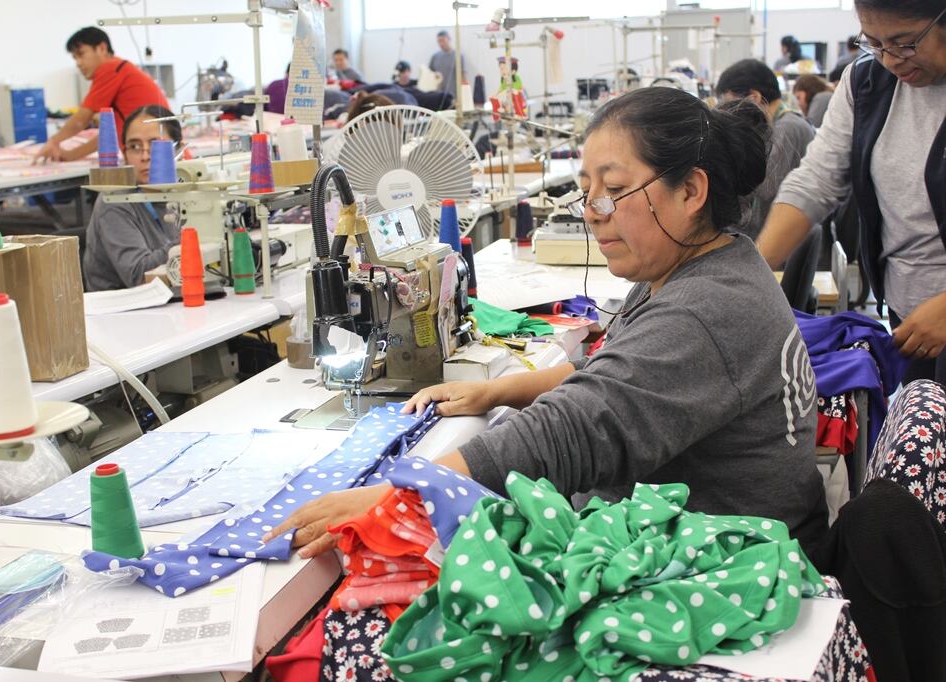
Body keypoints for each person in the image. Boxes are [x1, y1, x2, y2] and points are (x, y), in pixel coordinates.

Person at [264, 87, 829, 561]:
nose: (592, 212)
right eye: (587, 191)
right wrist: (495, 391)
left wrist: (398, 492)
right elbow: (611, 374)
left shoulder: (703, 311)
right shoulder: (699, 268)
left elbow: (577, 427)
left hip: (729, 567)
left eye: (614, 190)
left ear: (690, 191)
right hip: (712, 537)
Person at [758, 0, 946, 384]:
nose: (889, 59)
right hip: (910, 323)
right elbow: (816, 181)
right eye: (873, 42)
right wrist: (752, 273)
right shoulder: (865, 83)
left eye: (905, 43)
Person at [83, 105, 181, 291]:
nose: (145, 156)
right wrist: (189, 242)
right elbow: (139, 275)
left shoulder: (185, 194)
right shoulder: (114, 201)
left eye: (155, 144)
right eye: (135, 147)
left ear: (178, 149)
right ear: (125, 154)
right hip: (124, 305)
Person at [35, 27, 168, 163]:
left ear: (102, 48)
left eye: (81, 54)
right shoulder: (121, 69)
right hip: (161, 152)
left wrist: (54, 141)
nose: (78, 63)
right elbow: (109, 135)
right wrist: (70, 155)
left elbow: (81, 119)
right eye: (75, 58)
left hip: (153, 155)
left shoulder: (110, 69)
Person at [716, 59, 815, 239]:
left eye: (729, 103)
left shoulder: (786, 129)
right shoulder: (787, 123)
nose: (727, 113)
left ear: (754, 97)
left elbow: (763, 190)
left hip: (776, 240)